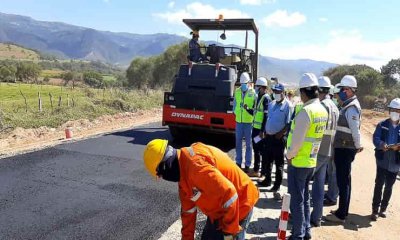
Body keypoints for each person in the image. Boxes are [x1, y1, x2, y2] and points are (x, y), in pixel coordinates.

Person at [143, 139, 259, 240]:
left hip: (240, 203)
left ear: (165, 165)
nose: (162, 178)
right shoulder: (183, 177)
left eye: (160, 175)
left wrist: (229, 233)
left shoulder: (196, 167)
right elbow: (188, 213)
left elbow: (230, 195)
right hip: (219, 210)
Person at [286, 73, 328, 240]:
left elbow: (296, 143)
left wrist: (288, 155)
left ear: (304, 92)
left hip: (298, 162)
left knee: (297, 202)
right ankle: (306, 231)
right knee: (305, 199)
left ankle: (298, 235)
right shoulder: (321, 110)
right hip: (311, 161)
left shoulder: (306, 112)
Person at [325, 75, 363, 223]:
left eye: (341, 89)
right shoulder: (347, 105)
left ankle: (341, 214)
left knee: (344, 181)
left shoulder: (352, 107)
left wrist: (358, 146)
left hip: (346, 149)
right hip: (342, 147)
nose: (339, 92)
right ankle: (342, 210)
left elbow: (355, 130)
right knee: (344, 180)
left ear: (348, 90)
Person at [310, 76, 339, 227]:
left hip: (319, 150)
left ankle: (299, 216)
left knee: (303, 181)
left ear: (319, 90)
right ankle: (316, 218)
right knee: (319, 186)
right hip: (328, 150)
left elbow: (318, 130)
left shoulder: (322, 106)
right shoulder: (334, 105)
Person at [370, 98, 400, 221]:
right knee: (379, 185)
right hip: (382, 160)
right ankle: (375, 210)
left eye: (398, 110)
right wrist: (381, 144)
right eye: (393, 110)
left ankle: (383, 209)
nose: (395, 112)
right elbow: (375, 138)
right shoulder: (382, 125)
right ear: (389, 110)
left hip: (395, 162)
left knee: (389, 187)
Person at [259, 83, 292, 191]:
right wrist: (264, 130)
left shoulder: (288, 105)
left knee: (279, 163)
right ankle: (267, 180)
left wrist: (281, 133)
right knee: (267, 160)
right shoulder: (272, 103)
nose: (276, 94)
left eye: (278, 92)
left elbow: (289, 123)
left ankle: (277, 185)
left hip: (279, 139)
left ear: (283, 93)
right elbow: (268, 118)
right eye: (275, 92)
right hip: (268, 137)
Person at [233, 72, 257, 173]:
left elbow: (255, 108)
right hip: (239, 121)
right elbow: (234, 105)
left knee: (248, 144)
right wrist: (235, 112)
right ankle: (238, 162)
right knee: (238, 143)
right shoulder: (237, 92)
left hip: (248, 123)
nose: (243, 85)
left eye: (244, 83)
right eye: (241, 83)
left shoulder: (253, 93)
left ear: (248, 83)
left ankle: (247, 164)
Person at [248, 77, 271, 177]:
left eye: (257, 86)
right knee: (256, 149)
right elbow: (255, 111)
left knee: (260, 150)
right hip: (255, 129)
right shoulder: (258, 97)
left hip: (260, 131)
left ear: (262, 87)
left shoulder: (266, 98)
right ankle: (257, 169)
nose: (256, 88)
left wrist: (262, 130)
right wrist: (247, 109)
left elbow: (266, 116)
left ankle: (260, 171)